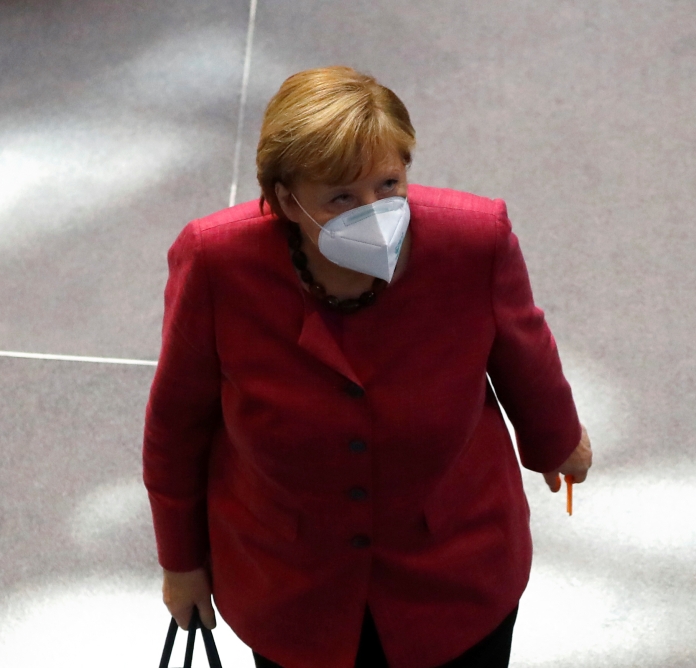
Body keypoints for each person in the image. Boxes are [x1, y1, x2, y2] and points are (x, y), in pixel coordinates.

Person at [142, 65, 592, 668]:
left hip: (455, 573)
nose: (374, 209)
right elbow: (177, 423)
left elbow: (524, 350)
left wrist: (556, 441)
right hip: (291, 587)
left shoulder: (474, 241)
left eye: (388, 182)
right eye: (342, 197)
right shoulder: (216, 264)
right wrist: (182, 563)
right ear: (285, 201)